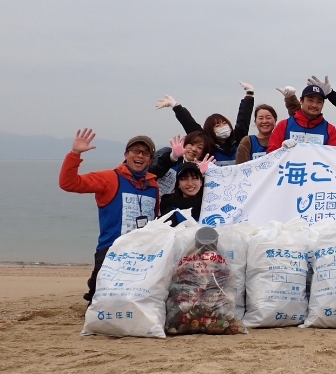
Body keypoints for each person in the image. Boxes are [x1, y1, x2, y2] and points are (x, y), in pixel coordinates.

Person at [59, 129, 159, 303]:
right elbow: (68, 183)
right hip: (111, 250)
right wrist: (75, 154)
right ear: (126, 154)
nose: (140, 156)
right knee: (100, 300)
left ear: (150, 160)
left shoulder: (153, 186)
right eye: (135, 151)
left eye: (145, 153)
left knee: (138, 300)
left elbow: (155, 219)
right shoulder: (109, 178)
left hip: (142, 253)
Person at [155, 81, 256, 165]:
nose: (222, 127)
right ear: (211, 131)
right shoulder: (207, 145)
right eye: (217, 125)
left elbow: (244, 119)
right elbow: (189, 123)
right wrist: (175, 106)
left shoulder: (238, 140)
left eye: (224, 123)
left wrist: (249, 94)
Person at [267, 84, 336, 152]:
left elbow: (333, 157)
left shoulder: (330, 130)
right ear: (301, 101)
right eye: (310, 100)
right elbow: (270, 155)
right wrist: (282, 150)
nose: (314, 105)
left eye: (319, 102)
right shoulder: (284, 125)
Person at [149, 131, 214, 195]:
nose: (194, 149)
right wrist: (171, 158)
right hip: (152, 196)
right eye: (191, 144)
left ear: (203, 154)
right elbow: (150, 172)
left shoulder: (204, 169)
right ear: (184, 143)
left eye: (199, 147)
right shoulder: (167, 153)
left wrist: (200, 175)